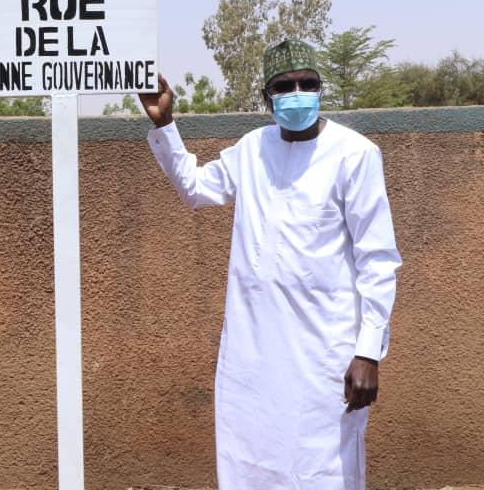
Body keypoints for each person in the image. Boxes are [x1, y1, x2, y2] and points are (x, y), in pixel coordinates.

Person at [140, 40, 401, 489]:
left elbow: (377, 260)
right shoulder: (251, 149)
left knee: (325, 473)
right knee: (250, 467)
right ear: (267, 97)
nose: (298, 92)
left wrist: (368, 352)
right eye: (285, 86)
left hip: (325, 359)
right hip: (252, 359)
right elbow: (195, 189)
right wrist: (166, 124)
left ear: (321, 89)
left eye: (308, 83)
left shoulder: (354, 154)